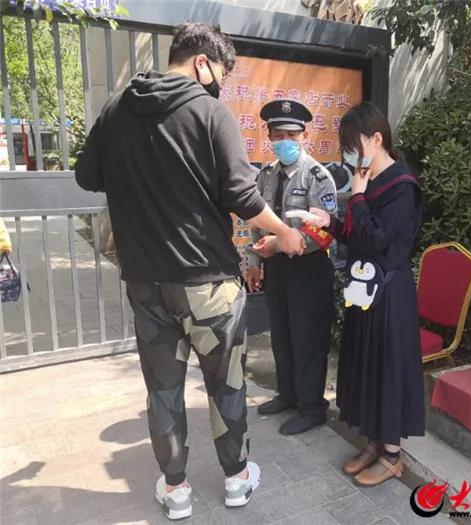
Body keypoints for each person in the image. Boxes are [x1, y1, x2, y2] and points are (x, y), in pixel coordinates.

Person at [75, 23, 305, 520]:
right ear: (202, 62)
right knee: (226, 385)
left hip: (147, 284)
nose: (220, 84)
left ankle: (176, 490)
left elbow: (86, 175)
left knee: (163, 390)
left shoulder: (116, 109)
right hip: (209, 285)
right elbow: (242, 195)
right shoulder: (209, 112)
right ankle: (237, 480)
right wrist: (285, 232)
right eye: (220, 73)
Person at [305, 102, 424, 486]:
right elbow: (356, 234)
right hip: (365, 290)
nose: (349, 154)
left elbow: (378, 239)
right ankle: (374, 442)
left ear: (376, 139)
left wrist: (356, 196)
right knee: (368, 365)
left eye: (353, 145)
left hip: (388, 292)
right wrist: (329, 222)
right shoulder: (369, 179)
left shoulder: (402, 185)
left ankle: (392, 455)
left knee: (386, 368)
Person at [245, 99, 337, 435]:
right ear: (269, 136)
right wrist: (254, 260)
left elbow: (325, 233)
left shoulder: (317, 176)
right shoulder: (266, 175)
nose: (285, 141)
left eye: (291, 135)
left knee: (307, 338)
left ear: (304, 136)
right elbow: (257, 221)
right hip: (277, 269)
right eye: (278, 135)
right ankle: (288, 395)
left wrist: (282, 243)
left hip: (309, 269)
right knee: (282, 335)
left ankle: (311, 407)